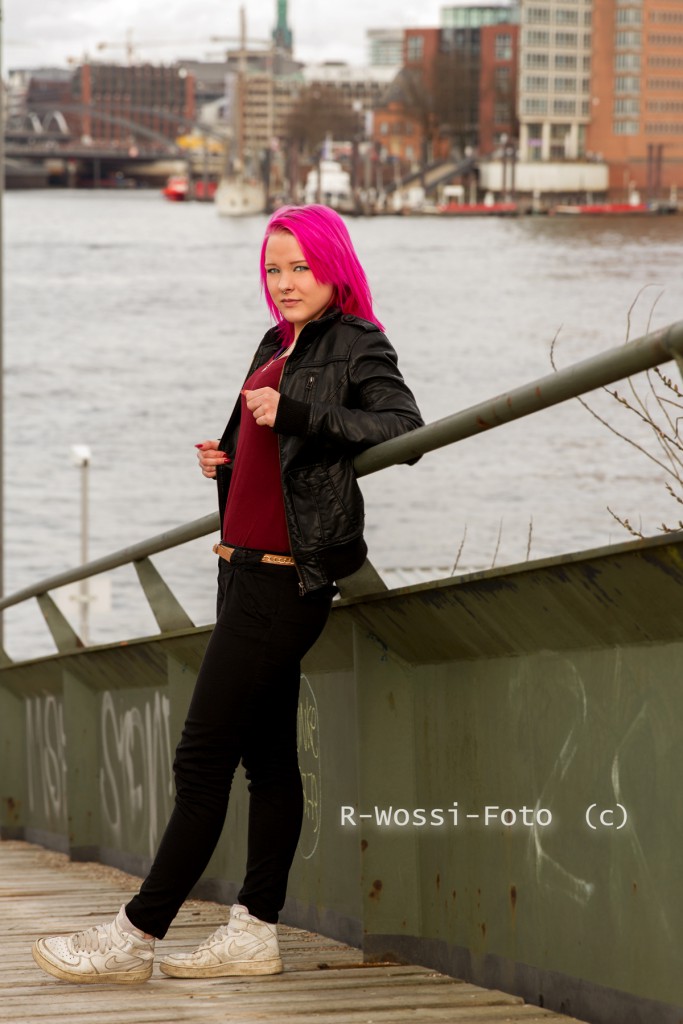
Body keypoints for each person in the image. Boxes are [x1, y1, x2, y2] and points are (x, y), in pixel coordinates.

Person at [32, 203, 423, 985]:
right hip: (240, 569)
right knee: (267, 760)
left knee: (202, 755)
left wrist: (299, 411)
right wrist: (227, 460)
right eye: (273, 269)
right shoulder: (275, 344)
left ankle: (133, 936)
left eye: (301, 267)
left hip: (285, 579)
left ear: (334, 267)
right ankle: (254, 931)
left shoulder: (356, 340)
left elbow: (400, 426)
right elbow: (273, 453)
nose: (285, 282)